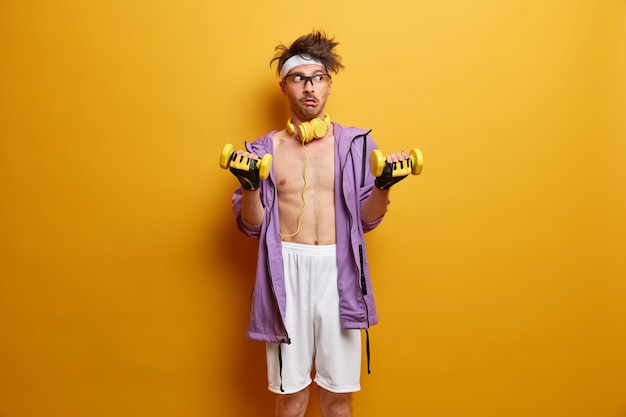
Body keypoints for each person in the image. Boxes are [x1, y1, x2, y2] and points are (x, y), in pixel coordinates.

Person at [227, 30, 413, 417]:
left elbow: (367, 220)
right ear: (284, 86)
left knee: (337, 398)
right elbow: (252, 227)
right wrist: (249, 188)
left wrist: (383, 186)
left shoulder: (357, 145)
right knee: (290, 398)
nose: (309, 88)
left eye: (318, 78)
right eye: (299, 78)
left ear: (329, 84)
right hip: (285, 276)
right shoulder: (263, 150)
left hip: (339, 272)